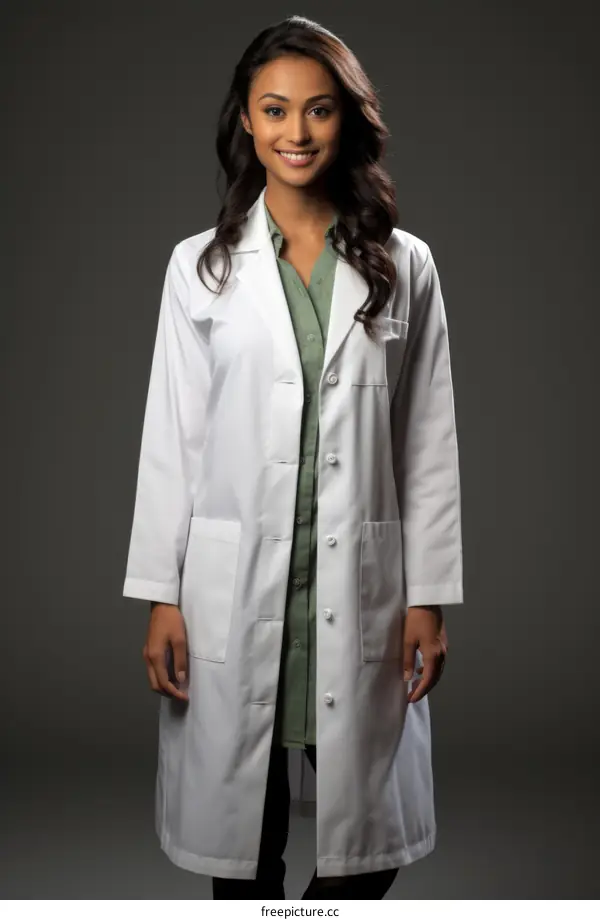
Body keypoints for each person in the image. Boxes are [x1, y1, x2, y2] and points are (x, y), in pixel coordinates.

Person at [123, 14, 463, 900]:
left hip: (359, 586)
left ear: (346, 119)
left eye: (318, 111)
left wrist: (426, 596)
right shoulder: (200, 269)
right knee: (248, 836)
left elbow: (426, 441)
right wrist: (163, 593)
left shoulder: (403, 263)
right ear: (245, 118)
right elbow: (173, 436)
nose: (296, 133)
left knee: (369, 837)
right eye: (275, 110)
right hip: (234, 588)